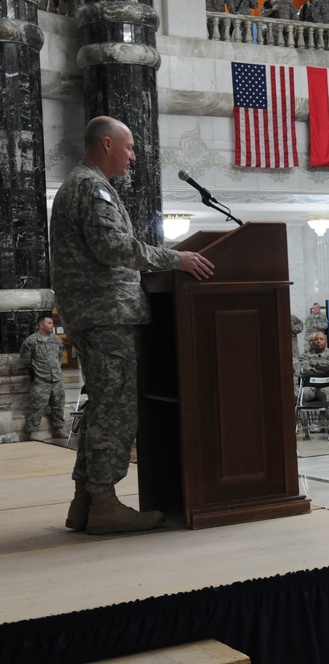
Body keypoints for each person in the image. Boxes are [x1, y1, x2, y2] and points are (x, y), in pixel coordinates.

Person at [50, 115, 214, 535]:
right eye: (129, 147)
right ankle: (103, 500)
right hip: (108, 315)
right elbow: (112, 247)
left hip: (97, 314)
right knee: (115, 410)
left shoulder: (82, 184)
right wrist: (174, 258)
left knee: (100, 408)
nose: (133, 156)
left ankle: (85, 501)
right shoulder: (92, 186)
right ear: (106, 144)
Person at [20, 315, 68, 441]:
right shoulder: (31, 341)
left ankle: (59, 429)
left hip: (56, 380)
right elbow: (26, 360)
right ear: (41, 325)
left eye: (52, 323)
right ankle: (33, 431)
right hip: (41, 380)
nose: (52, 325)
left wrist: (56, 370)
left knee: (58, 405)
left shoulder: (57, 340)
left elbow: (60, 356)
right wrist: (37, 373)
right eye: (50, 323)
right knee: (37, 406)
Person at [296, 331, 329, 404]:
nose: (318, 341)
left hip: (327, 386)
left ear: (326, 342)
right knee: (298, 394)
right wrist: (324, 371)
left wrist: (314, 364)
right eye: (316, 339)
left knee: (327, 393)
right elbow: (304, 369)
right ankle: (302, 415)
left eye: (321, 339)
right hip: (311, 387)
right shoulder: (305, 355)